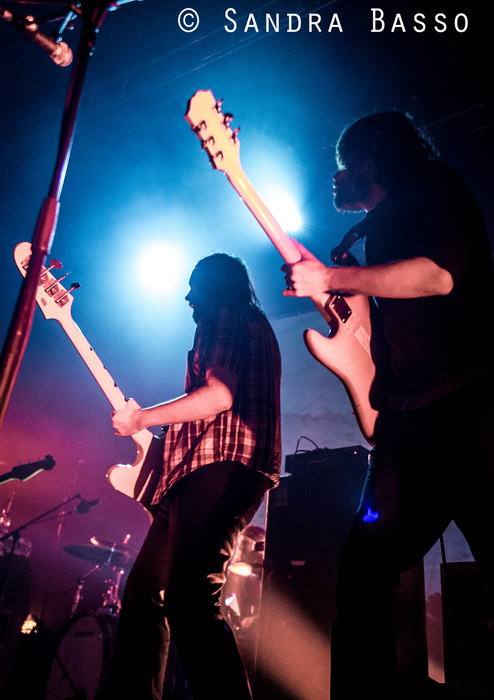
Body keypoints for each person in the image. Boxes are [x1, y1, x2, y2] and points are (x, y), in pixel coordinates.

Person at [282, 111, 494, 699]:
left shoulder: (433, 186)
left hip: (471, 408)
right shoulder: (378, 227)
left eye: (344, 163)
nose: (336, 177)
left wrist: (334, 278)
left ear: (374, 156)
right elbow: (384, 321)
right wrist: (343, 289)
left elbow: (437, 277)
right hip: (412, 424)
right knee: (363, 571)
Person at [107, 252, 281, 700]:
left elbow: (218, 396)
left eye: (194, 286)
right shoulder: (254, 323)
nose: (188, 297)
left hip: (220, 466)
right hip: (200, 472)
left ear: (215, 285)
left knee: (189, 597)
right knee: (145, 593)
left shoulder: (224, 313)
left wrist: (141, 419)